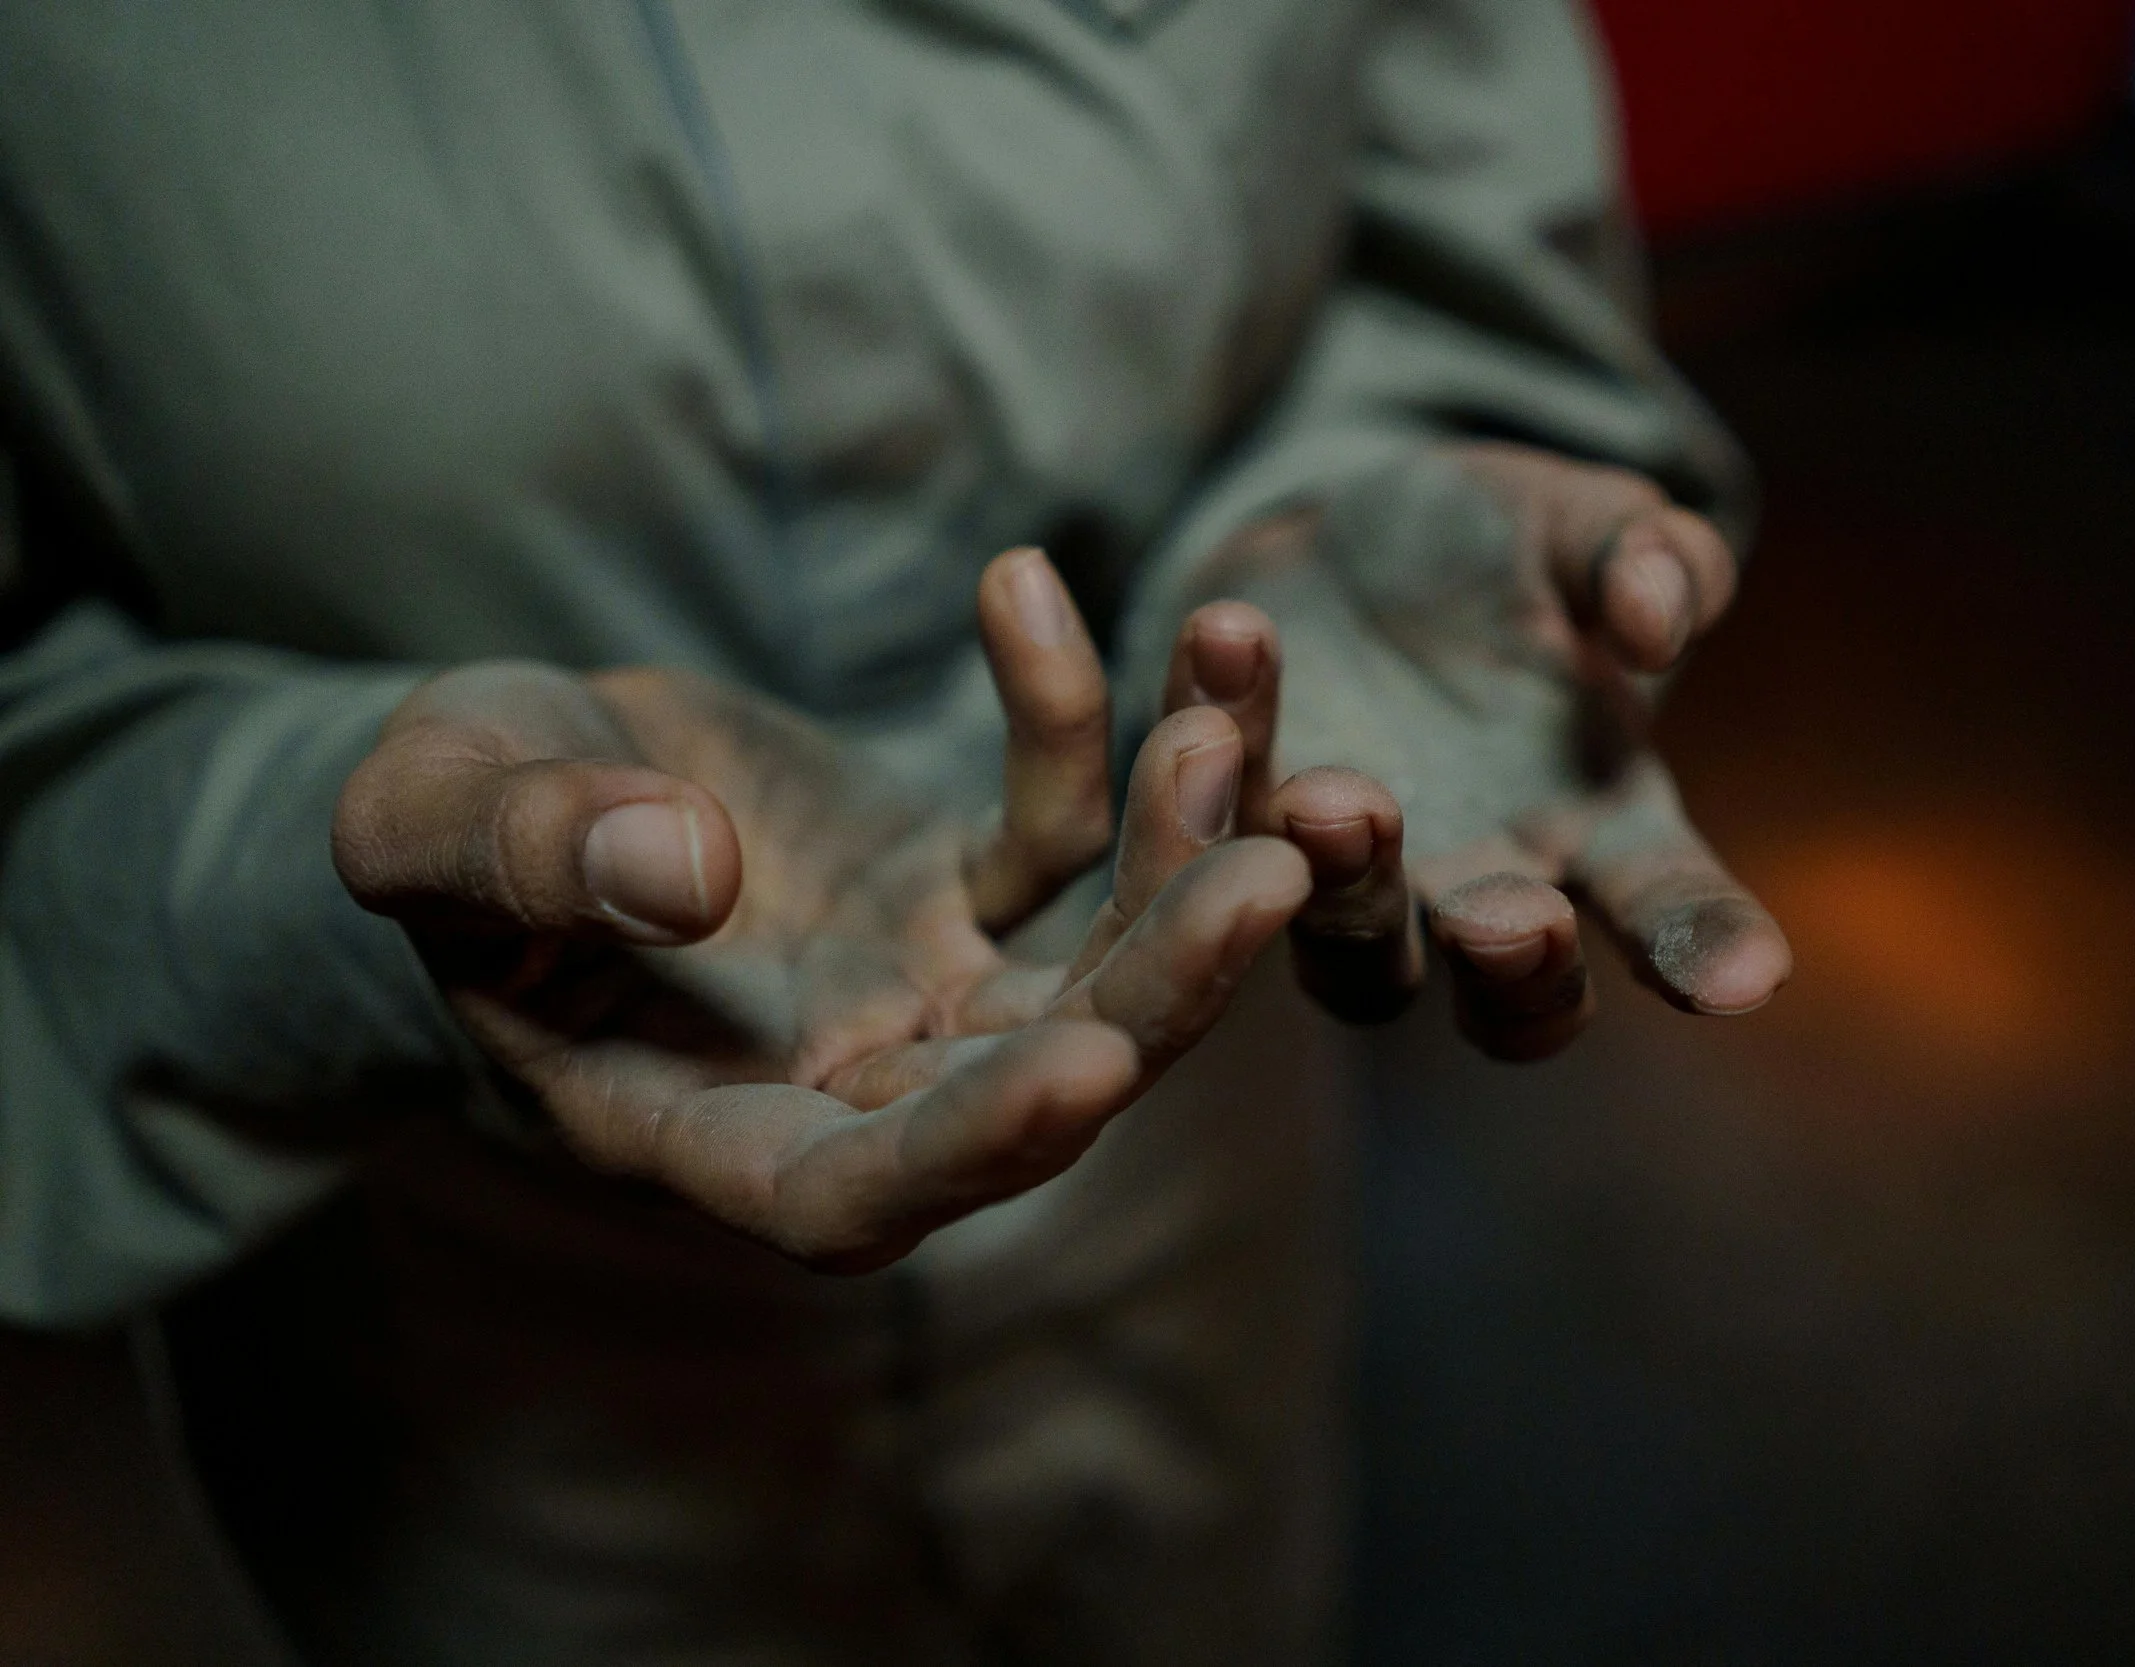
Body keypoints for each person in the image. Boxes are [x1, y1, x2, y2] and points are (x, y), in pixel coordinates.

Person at [0, 1, 1789, 1661]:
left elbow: (1444, 230)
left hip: (1201, 1177)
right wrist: (332, 862)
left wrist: (1324, 529)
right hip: (475, 1358)